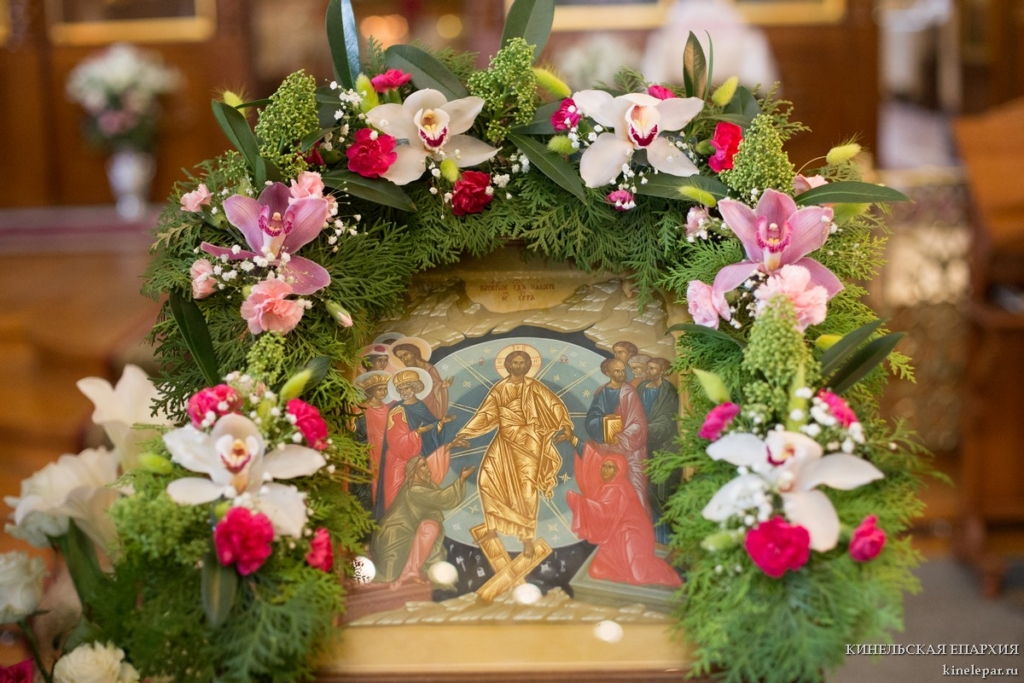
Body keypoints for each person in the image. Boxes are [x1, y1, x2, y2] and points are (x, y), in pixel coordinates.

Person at [450, 349, 575, 559]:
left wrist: (566, 426)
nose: (518, 366)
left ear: (528, 366)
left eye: (522, 363)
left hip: (529, 441)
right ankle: (492, 528)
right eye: (515, 363)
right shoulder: (500, 388)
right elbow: (486, 414)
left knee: (526, 488)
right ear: (508, 365)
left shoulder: (534, 386)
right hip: (504, 440)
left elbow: (554, 403)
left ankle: (526, 538)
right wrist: (464, 433)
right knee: (488, 480)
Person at [566, 453, 681, 588]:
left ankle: (667, 573)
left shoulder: (617, 488)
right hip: (615, 537)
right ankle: (621, 568)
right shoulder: (610, 487)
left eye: (610, 467)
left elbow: (604, 512)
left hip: (631, 535)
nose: (605, 470)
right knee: (596, 571)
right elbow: (606, 516)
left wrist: (579, 502)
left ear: (618, 470)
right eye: (604, 466)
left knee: (638, 576)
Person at [370, 457, 475, 587]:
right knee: (429, 527)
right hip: (395, 533)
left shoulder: (426, 485)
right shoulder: (414, 489)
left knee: (430, 526)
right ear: (415, 470)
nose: (427, 468)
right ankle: (408, 572)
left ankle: (413, 570)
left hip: (409, 529)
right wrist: (461, 479)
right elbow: (441, 498)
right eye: (423, 466)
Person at [376, 369, 455, 519]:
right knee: (399, 502)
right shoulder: (397, 411)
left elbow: (431, 430)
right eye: (401, 389)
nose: (404, 392)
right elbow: (395, 442)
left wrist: (440, 424)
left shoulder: (421, 406)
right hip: (399, 462)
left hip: (418, 460)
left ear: (415, 387)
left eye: (407, 388)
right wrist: (417, 433)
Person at [583, 357, 651, 515]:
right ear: (608, 373)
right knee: (608, 491)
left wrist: (620, 437)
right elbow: (591, 419)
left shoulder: (629, 393)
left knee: (635, 490)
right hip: (607, 448)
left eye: (622, 370)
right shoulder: (602, 392)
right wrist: (603, 424)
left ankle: (637, 522)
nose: (622, 374)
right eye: (617, 371)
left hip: (629, 450)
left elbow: (638, 423)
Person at [637, 357, 680, 543]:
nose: (648, 372)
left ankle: (662, 537)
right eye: (648, 368)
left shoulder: (668, 392)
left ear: (662, 371)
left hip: (660, 446)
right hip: (641, 444)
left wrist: (644, 430)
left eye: (653, 369)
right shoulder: (642, 387)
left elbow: (666, 422)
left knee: (655, 488)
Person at [353, 371, 392, 508]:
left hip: (383, 453)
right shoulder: (359, 409)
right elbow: (355, 434)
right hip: (365, 454)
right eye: (379, 389)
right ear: (371, 391)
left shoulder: (387, 410)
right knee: (365, 486)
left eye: (385, 389)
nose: (383, 392)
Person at [391, 337, 452, 420]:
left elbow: (436, 383)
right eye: (400, 357)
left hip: (431, 399)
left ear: (413, 353)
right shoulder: (407, 372)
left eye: (405, 355)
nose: (404, 359)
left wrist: (442, 385)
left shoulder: (429, 368)